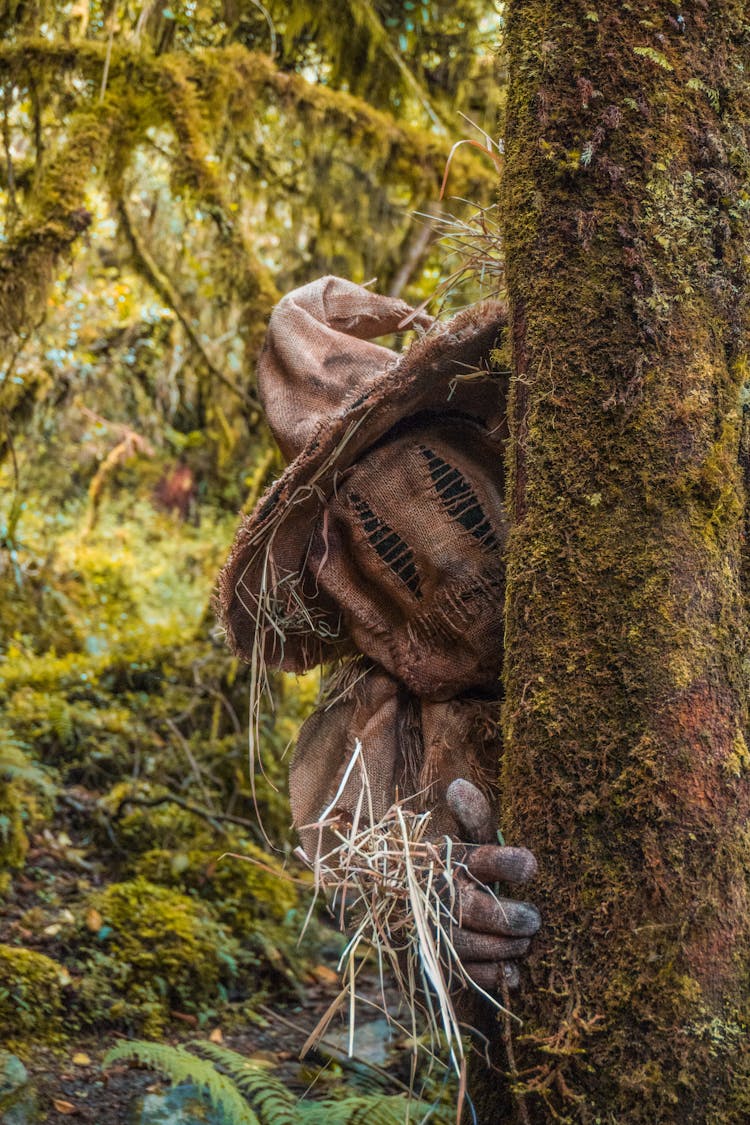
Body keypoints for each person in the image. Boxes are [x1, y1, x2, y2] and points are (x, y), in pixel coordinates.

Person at [218, 276, 540, 992]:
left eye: (448, 490)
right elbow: (381, 873)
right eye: (385, 537)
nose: (445, 557)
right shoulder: (375, 727)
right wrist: (433, 906)